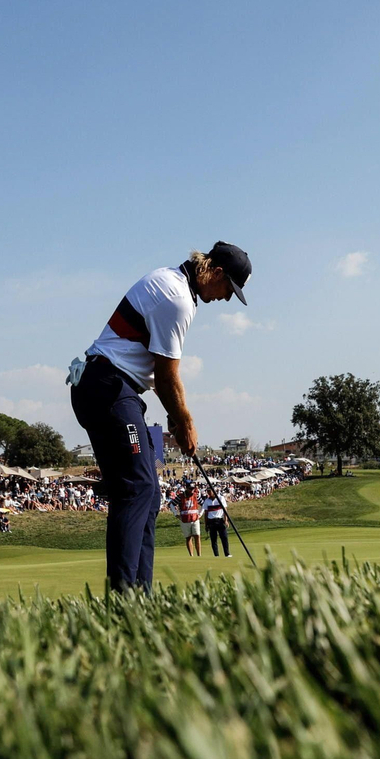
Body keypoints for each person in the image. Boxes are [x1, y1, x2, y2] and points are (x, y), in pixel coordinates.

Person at [69, 242, 251, 593]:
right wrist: (185, 422)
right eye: (230, 288)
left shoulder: (172, 282)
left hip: (106, 387)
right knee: (137, 489)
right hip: (109, 388)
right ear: (215, 273)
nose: (228, 298)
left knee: (148, 494)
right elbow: (167, 375)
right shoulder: (178, 298)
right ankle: (124, 598)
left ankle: (141, 594)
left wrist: (174, 415)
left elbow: (151, 365)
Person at [174, 482, 202, 557]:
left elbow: (203, 504)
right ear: (186, 488)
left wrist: (200, 514)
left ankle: (199, 555)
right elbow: (171, 504)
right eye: (190, 489)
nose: (192, 490)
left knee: (197, 536)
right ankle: (191, 556)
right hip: (185, 520)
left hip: (195, 519)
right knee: (188, 537)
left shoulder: (196, 495)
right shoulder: (180, 496)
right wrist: (176, 514)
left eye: (193, 489)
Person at [202, 486, 230, 558]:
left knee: (224, 537)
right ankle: (216, 555)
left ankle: (227, 553)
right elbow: (206, 513)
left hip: (220, 520)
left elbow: (225, 510)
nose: (208, 493)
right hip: (211, 521)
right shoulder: (207, 501)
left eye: (210, 491)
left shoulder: (220, 498)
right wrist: (206, 524)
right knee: (213, 539)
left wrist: (226, 520)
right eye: (207, 491)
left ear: (214, 491)